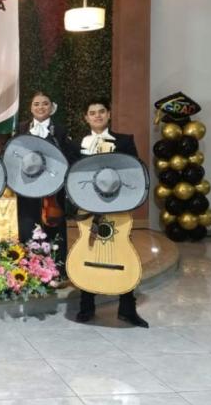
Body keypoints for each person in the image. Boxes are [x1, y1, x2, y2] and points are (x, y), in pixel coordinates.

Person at [74, 97, 148, 328]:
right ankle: (86, 307)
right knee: (88, 251)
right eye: (92, 112)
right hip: (88, 207)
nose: (97, 115)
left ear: (109, 115)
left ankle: (127, 309)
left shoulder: (125, 141)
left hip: (118, 207)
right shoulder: (76, 143)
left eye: (101, 112)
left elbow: (134, 172)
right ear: (86, 117)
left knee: (122, 253)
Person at [15, 92, 71, 273]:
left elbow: (66, 157)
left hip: (53, 191)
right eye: (36, 104)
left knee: (54, 228)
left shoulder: (60, 130)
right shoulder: (21, 128)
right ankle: (29, 271)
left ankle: (57, 270)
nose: (40, 107)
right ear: (31, 108)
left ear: (51, 107)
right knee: (28, 226)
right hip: (28, 188)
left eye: (45, 104)